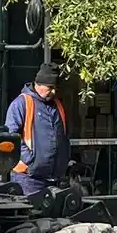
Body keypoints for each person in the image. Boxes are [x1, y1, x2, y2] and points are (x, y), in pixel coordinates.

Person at [5, 63, 70, 197]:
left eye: (55, 88)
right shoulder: (22, 103)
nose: (53, 92)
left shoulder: (58, 105)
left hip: (54, 178)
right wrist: (31, 161)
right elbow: (11, 137)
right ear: (38, 84)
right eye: (50, 87)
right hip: (28, 179)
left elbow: (63, 135)